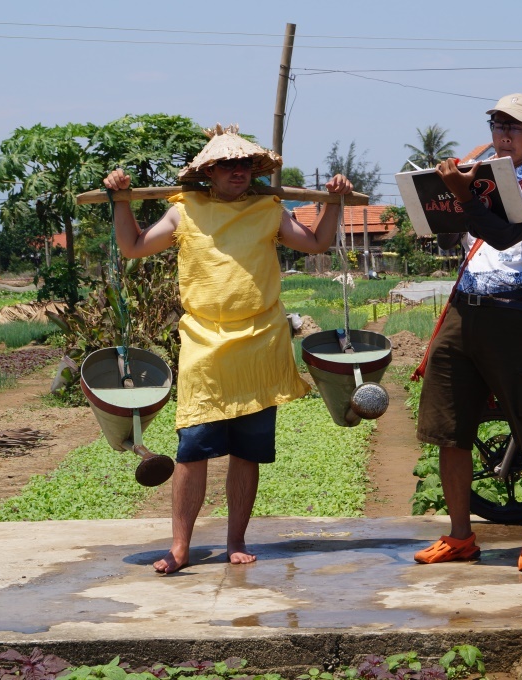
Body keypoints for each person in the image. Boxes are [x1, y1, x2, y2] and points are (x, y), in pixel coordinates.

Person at [103, 124, 353, 572]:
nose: (237, 171)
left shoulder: (269, 210)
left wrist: (332, 202)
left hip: (260, 342)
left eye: (244, 164)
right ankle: (180, 547)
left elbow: (316, 243)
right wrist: (122, 201)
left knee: (247, 449)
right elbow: (134, 246)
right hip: (204, 342)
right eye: (227, 165)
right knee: (192, 447)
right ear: (209, 172)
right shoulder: (186, 210)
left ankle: (236, 538)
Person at [414, 93, 522, 572]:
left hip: (510, 313)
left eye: (514, 128)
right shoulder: (472, 177)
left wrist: (460, 195)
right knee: (450, 430)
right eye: (498, 125)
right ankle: (460, 536)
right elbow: (446, 234)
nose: (503, 135)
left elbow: (506, 235)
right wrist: (438, 200)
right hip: (462, 310)